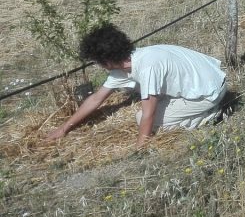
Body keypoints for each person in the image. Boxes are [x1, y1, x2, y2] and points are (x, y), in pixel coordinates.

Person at [45, 24, 227, 147]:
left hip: (210, 92)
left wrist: (140, 148)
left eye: (98, 62)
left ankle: (210, 115)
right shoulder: (130, 62)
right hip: (208, 79)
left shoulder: (147, 66)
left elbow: (149, 113)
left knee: (142, 119)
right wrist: (63, 129)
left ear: (107, 61)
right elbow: (96, 99)